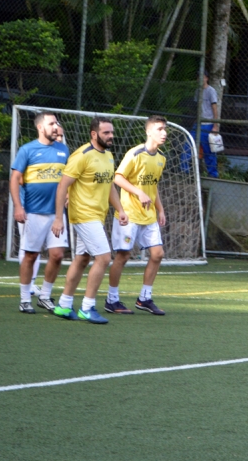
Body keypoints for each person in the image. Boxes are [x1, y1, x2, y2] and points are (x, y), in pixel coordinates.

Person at [52, 117, 128, 324]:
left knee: (82, 259)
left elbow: (109, 186)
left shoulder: (108, 156)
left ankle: (64, 305)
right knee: (103, 258)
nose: (111, 136)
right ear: (94, 134)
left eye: (112, 132)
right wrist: (58, 218)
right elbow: (62, 185)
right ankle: (87, 307)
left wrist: (120, 209)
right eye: (106, 133)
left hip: (97, 216)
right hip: (83, 215)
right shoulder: (82, 155)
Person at [104, 116, 169, 316]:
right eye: (159, 129)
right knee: (123, 256)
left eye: (165, 129)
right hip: (129, 214)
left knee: (157, 254)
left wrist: (160, 209)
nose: (164, 133)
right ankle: (111, 300)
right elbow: (118, 177)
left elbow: (153, 186)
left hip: (148, 216)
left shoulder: (161, 158)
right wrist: (138, 192)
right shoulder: (135, 153)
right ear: (149, 132)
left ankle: (144, 298)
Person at [9, 112, 70, 314]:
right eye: (51, 123)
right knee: (31, 256)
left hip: (57, 213)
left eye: (56, 123)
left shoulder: (63, 150)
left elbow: (68, 178)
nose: (55, 127)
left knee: (57, 255)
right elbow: (14, 179)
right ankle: (25, 299)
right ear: (40, 127)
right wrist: (18, 206)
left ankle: (44, 296)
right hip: (33, 212)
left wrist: (68, 194)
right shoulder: (27, 150)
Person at [198, 72, 220, 178]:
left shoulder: (211, 91)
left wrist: (215, 125)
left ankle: (213, 175)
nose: (200, 79)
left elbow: (215, 108)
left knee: (209, 150)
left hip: (208, 124)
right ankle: (185, 171)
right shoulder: (197, 91)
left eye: (202, 77)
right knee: (188, 145)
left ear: (206, 78)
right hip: (198, 123)